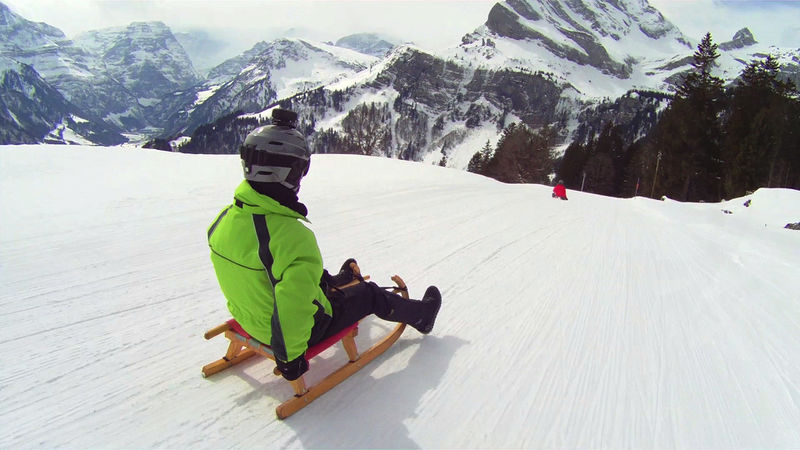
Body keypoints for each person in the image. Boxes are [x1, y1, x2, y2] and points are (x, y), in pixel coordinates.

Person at [207, 108, 441, 382]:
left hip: (250, 318)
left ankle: (338, 282)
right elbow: (292, 306)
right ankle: (422, 317)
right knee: (368, 294)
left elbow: (271, 276)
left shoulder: (223, 219)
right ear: (289, 173)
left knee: (296, 273)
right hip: (293, 334)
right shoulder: (290, 236)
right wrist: (290, 359)